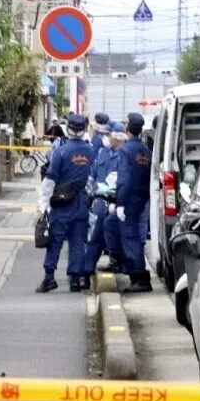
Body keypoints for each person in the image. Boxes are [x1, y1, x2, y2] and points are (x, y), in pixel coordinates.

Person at [37, 113, 94, 293]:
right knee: (78, 240)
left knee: (55, 239)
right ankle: (75, 279)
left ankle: (49, 277)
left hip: (62, 202)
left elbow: (50, 180)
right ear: (84, 129)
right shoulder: (91, 150)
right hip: (82, 202)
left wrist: (43, 204)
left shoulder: (61, 151)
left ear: (68, 129)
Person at [82, 122, 127, 288]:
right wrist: (89, 192)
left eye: (108, 135)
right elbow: (93, 174)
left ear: (117, 137)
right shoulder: (102, 153)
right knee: (94, 238)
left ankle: (119, 263)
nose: (105, 138)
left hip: (117, 203)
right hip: (100, 201)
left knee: (117, 237)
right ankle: (86, 272)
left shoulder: (125, 155)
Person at [115, 112, 153, 293]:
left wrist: (120, 202)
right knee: (137, 236)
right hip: (144, 198)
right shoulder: (146, 151)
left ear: (127, 128)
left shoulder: (125, 150)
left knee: (130, 238)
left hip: (129, 199)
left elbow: (123, 179)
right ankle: (139, 275)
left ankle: (139, 277)